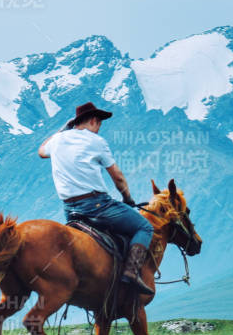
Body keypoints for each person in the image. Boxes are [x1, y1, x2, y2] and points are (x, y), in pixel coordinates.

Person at [38, 101, 154, 297]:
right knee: (144, 227)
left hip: (70, 210)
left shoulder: (57, 140)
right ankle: (131, 272)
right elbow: (117, 177)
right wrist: (127, 198)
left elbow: (41, 151)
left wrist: (62, 130)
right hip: (98, 206)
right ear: (92, 120)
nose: (99, 128)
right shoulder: (96, 141)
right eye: (99, 123)